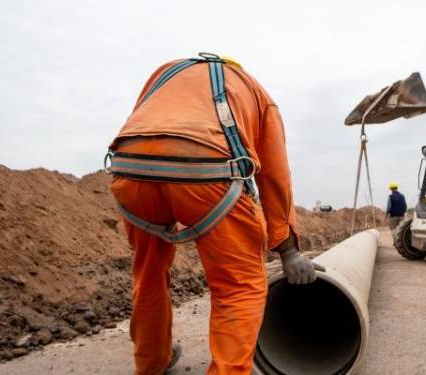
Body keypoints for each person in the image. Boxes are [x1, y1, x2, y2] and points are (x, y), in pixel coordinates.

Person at [106, 53, 322, 375]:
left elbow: (144, 125)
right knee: (239, 286)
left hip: (131, 173)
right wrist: (288, 250)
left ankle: (151, 362)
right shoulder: (256, 92)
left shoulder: (165, 73)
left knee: (149, 271)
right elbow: (274, 174)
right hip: (206, 172)